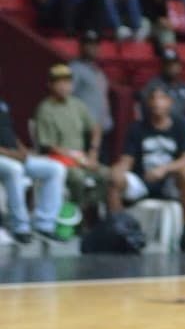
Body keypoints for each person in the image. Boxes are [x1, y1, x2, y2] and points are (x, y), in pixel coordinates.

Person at [116, 86, 185, 252]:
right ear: (147, 103)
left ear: (170, 102)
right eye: (153, 98)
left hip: (169, 182)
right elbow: (127, 159)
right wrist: (119, 170)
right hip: (143, 180)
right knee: (115, 179)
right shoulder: (137, 127)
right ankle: (118, 232)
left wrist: (164, 169)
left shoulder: (181, 125)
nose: (156, 103)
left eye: (161, 98)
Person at [34, 63, 120, 216]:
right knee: (78, 178)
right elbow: (48, 145)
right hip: (57, 159)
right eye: (59, 82)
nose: (64, 86)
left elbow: (95, 128)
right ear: (50, 85)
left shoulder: (77, 105)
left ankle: (92, 211)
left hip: (81, 158)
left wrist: (93, 153)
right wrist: (76, 157)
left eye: (67, 82)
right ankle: (76, 215)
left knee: (108, 174)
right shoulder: (45, 109)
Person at [0, 72, 67, 243]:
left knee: (55, 168)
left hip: (14, 155)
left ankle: (45, 224)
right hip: (5, 157)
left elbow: (9, 133)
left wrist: (23, 150)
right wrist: (11, 155)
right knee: (14, 169)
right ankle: (20, 226)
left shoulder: (3, 104)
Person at [70, 30, 114, 162]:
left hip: (102, 129)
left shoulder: (98, 71)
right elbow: (68, 96)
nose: (92, 48)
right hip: (84, 130)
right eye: (88, 44)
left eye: (95, 44)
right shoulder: (75, 68)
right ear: (81, 46)